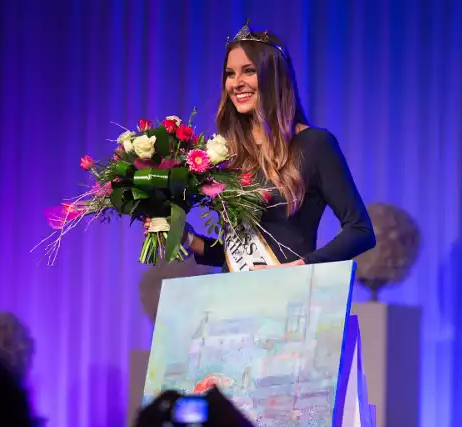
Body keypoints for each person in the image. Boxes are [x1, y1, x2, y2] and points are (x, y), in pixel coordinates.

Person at [145, 20, 375, 273]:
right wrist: (186, 239)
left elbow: (360, 231)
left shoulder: (314, 144)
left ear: (273, 76)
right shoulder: (227, 153)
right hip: (235, 300)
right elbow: (233, 256)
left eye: (249, 71)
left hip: (289, 299)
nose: (236, 83)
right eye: (230, 74)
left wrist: (298, 269)